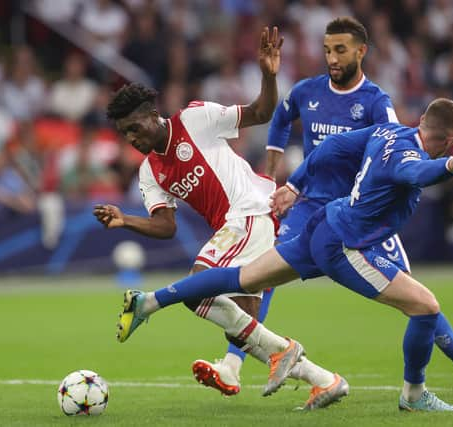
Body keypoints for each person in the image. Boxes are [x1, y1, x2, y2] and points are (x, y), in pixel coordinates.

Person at [117, 98, 453, 412]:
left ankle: (150, 302)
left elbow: (329, 149)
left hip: (323, 227)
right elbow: (415, 171)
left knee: (241, 279)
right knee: (426, 306)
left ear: (420, 121)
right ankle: (414, 394)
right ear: (451, 140)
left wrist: (295, 183)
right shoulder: (409, 153)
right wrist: (448, 167)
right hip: (346, 246)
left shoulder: (389, 132)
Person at [203, 16, 453, 400]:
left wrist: (440, 168)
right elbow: (281, 118)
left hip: (360, 215)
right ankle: (233, 365)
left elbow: (398, 152)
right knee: (262, 276)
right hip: (311, 208)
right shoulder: (307, 91)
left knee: (416, 299)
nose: (332, 58)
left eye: (340, 50)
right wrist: (279, 178)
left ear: (361, 52)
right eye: (327, 50)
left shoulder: (376, 103)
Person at [94, 27, 349, 410]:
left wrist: (268, 73)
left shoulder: (195, 118)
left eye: (134, 128)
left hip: (252, 210)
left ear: (152, 116)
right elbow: (166, 226)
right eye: (123, 133)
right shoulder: (150, 172)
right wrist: (125, 220)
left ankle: (281, 354)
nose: (130, 138)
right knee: (243, 320)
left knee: (198, 287)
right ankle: (322, 379)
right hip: (238, 225)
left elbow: (261, 112)